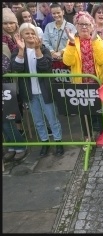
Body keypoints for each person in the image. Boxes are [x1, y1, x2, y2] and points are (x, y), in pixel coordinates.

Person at [11, 22, 64, 157]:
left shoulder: (44, 49)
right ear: (21, 36)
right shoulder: (17, 51)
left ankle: (58, 142)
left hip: (45, 91)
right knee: (38, 120)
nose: (30, 35)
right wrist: (22, 51)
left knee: (52, 118)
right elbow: (16, 68)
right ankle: (44, 142)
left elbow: (45, 66)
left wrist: (38, 49)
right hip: (29, 93)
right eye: (27, 33)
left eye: (32, 33)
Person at [63, 11, 103, 147]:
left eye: (87, 24)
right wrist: (71, 43)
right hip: (81, 84)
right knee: (84, 113)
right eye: (81, 24)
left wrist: (95, 41)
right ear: (76, 26)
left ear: (92, 26)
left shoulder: (96, 39)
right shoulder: (72, 41)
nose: (84, 27)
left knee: (101, 111)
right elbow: (67, 61)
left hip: (98, 82)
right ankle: (87, 137)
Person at [2, 15, 28, 163]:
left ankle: (20, 146)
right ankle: (11, 146)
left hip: (6, 89)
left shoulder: (4, 46)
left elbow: (6, 67)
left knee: (7, 120)